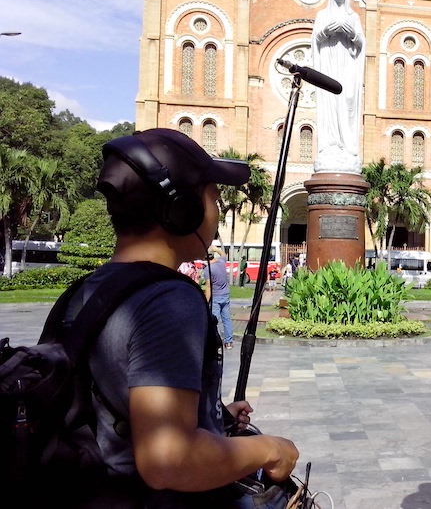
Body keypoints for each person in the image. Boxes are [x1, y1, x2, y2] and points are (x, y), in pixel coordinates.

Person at [88, 128, 298, 506]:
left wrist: (212, 417)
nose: (216, 211)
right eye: (214, 198)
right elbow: (168, 460)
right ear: (182, 209)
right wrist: (271, 450)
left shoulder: (88, 291)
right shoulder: (169, 301)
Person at [312, 0, 364, 173]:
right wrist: (326, 31)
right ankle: (330, 144)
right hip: (328, 66)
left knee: (346, 102)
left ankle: (347, 146)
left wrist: (352, 34)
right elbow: (315, 39)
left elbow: (362, 43)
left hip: (347, 67)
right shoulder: (323, 15)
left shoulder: (353, 17)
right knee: (330, 103)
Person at [206, 247, 235, 350]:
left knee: (215, 321)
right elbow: (223, 254)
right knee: (227, 320)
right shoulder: (221, 263)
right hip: (225, 295)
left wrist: (206, 301)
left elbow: (208, 287)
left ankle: (216, 343)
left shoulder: (208, 269)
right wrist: (216, 249)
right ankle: (229, 342)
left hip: (216, 297)